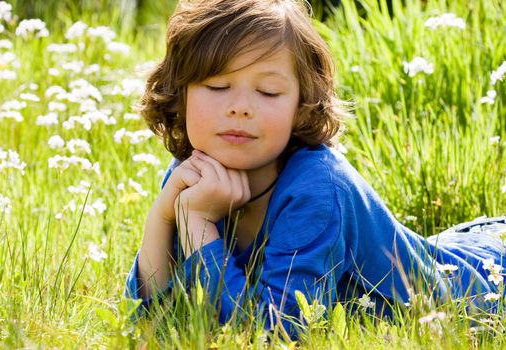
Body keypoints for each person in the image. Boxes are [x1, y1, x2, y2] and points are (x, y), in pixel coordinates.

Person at [125, 0, 506, 334]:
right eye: (218, 86)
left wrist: (198, 226)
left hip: (485, 281)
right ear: (181, 92)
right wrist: (163, 215)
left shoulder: (316, 186)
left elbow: (274, 334)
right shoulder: (194, 169)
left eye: (268, 92)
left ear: (301, 105)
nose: (239, 106)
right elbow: (154, 317)